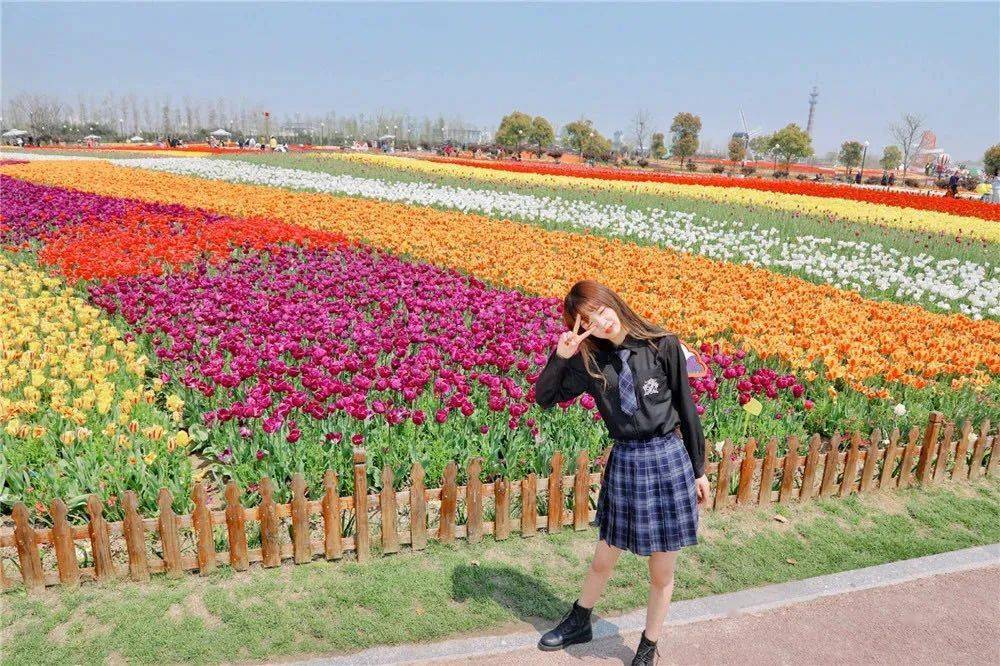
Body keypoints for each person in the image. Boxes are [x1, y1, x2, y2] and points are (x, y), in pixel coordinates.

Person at [533, 280, 708, 666]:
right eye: (589, 321)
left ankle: (648, 646)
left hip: (667, 460)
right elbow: (544, 398)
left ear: (614, 302)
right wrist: (561, 356)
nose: (601, 322)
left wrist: (699, 469)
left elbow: (687, 407)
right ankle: (581, 620)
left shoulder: (662, 344)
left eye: (601, 311)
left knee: (661, 569)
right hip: (627, 461)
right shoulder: (590, 361)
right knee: (604, 555)